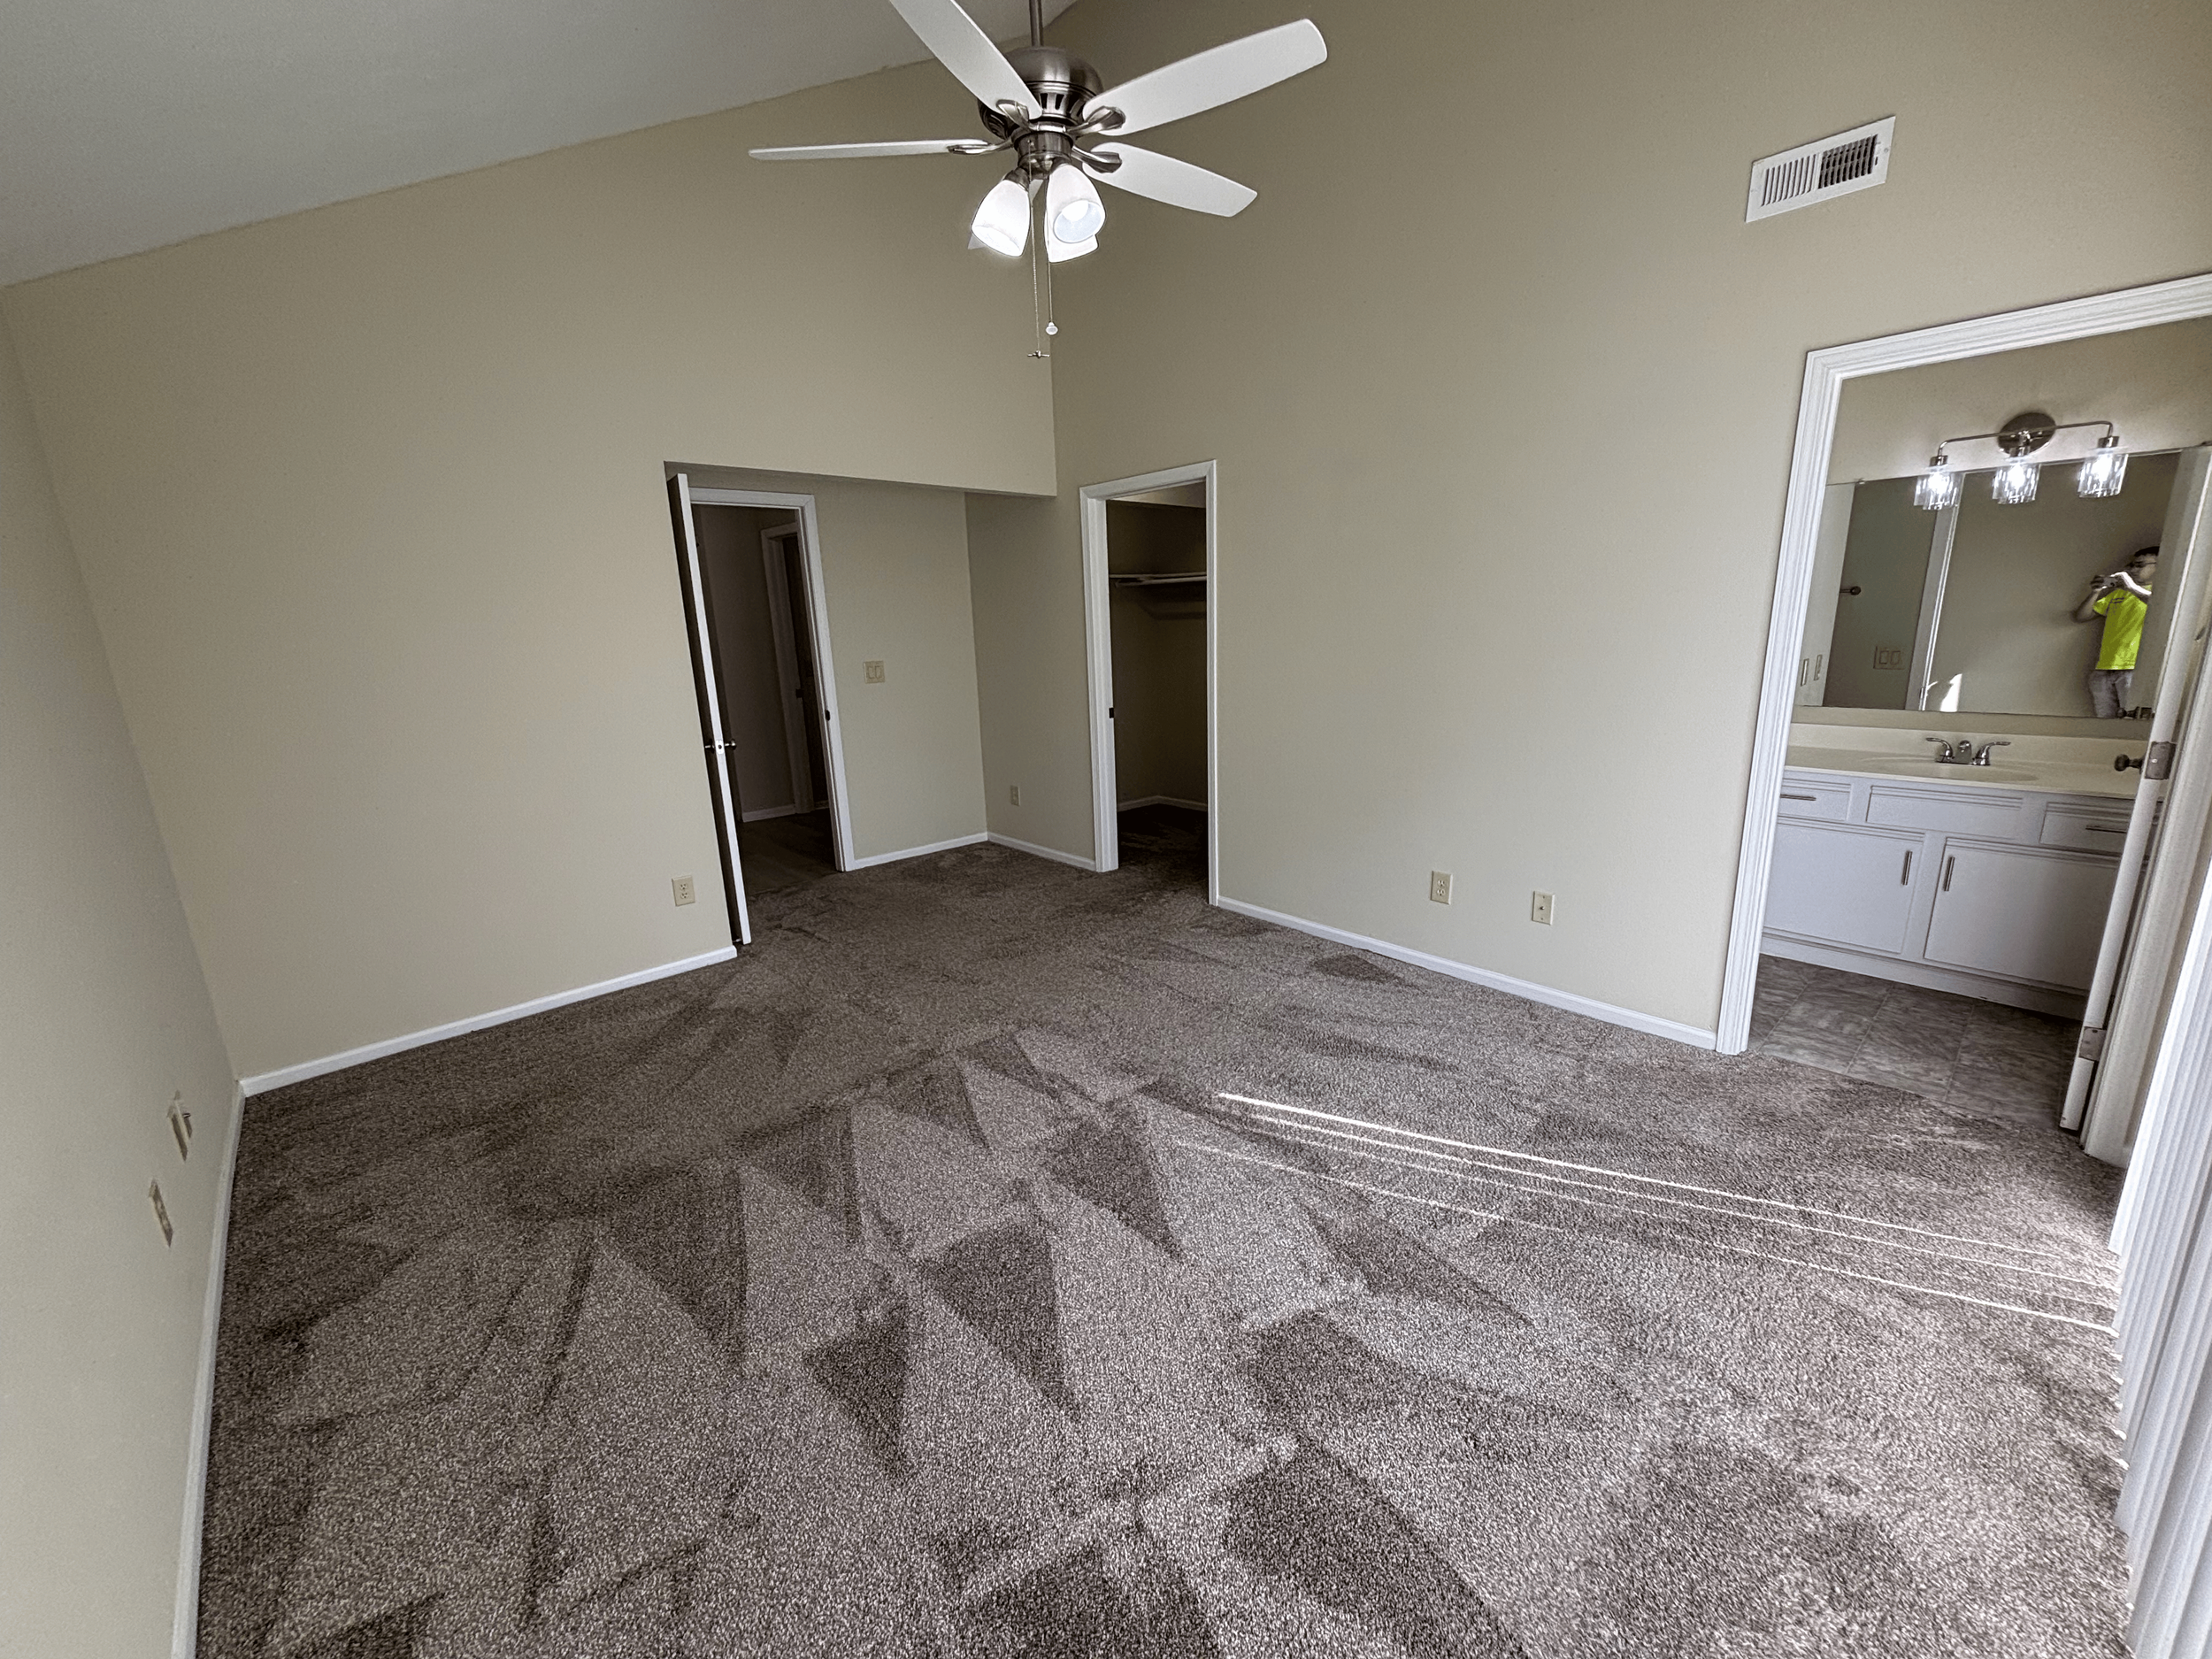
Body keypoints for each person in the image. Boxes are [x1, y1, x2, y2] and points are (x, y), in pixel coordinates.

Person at [2075, 545, 2159, 718]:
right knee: (2105, 725)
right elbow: (2082, 616)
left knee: (2132, 724)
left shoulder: (2160, 593)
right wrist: (2096, 592)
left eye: (2140, 565)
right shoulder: (2118, 594)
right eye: (2132, 565)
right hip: (2104, 667)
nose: (2133, 569)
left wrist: (2130, 587)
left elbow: (2159, 606)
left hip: (2135, 669)